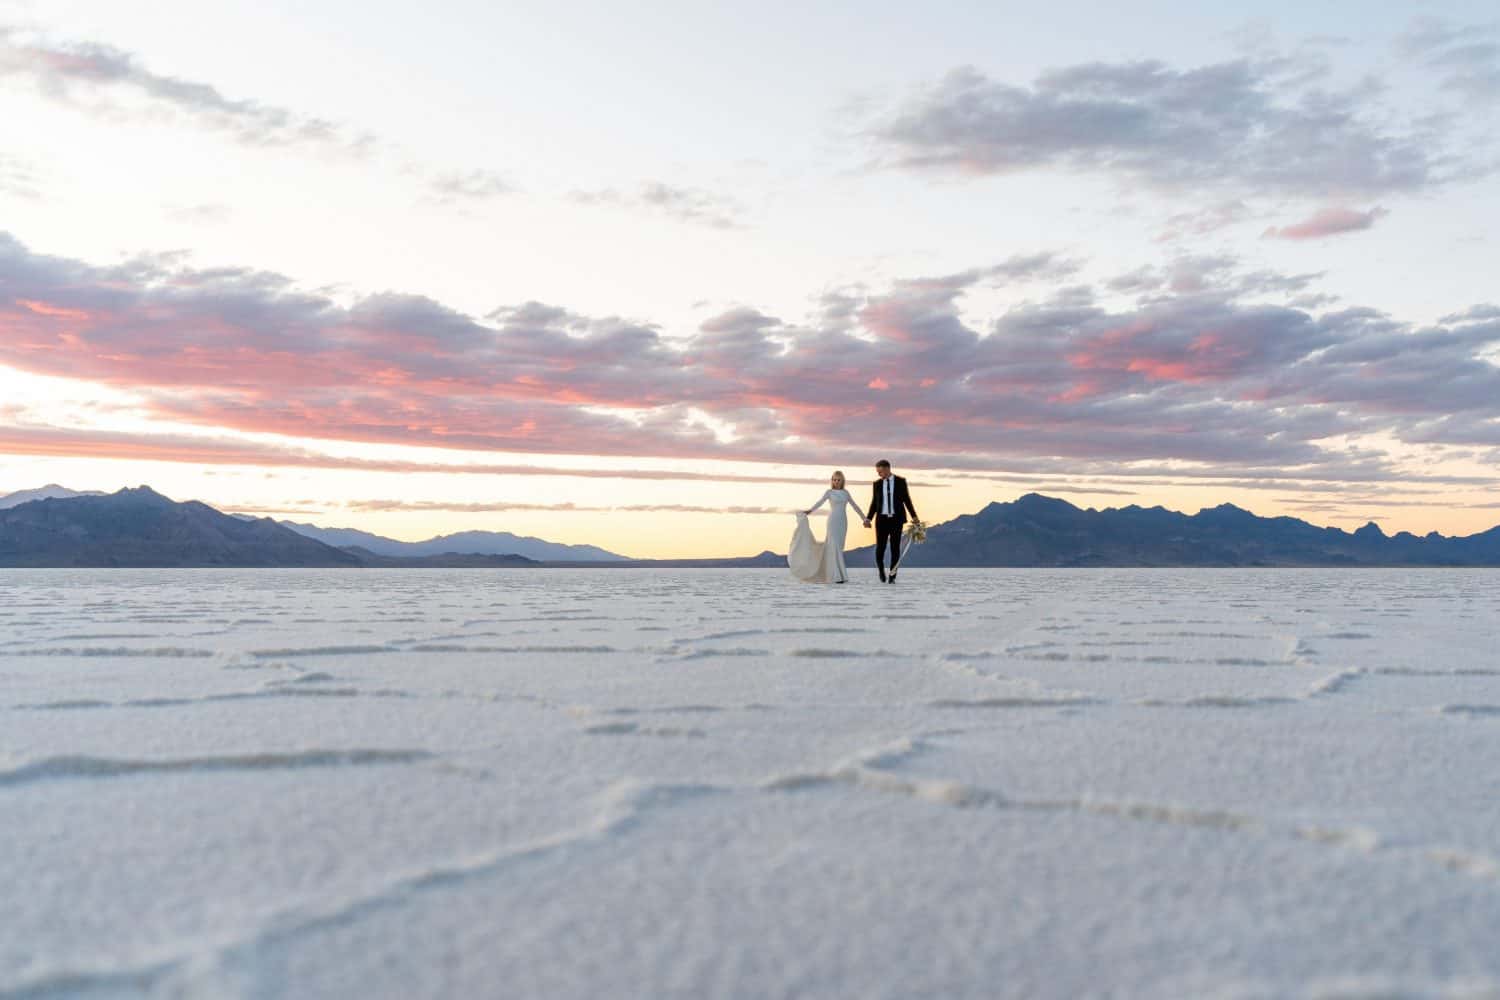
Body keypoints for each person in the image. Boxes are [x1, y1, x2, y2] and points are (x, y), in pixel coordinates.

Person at [787, 471, 864, 584]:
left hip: (842, 522)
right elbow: (820, 502)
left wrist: (864, 518)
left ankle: (836, 575)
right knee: (834, 546)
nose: (836, 482)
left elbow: (855, 506)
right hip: (832, 521)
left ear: (842, 481)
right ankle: (837, 576)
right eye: (834, 480)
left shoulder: (846, 493)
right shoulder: (829, 492)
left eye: (838, 480)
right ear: (832, 481)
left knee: (839, 547)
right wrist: (810, 511)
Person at [863, 459, 918, 583]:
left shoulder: (900, 482)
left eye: (880, 471)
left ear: (887, 469)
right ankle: (881, 571)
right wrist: (868, 518)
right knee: (880, 548)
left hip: (896, 520)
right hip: (881, 520)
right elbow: (874, 503)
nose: (879, 474)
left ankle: (892, 575)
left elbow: (907, 500)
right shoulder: (876, 484)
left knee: (895, 548)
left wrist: (914, 516)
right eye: (878, 472)